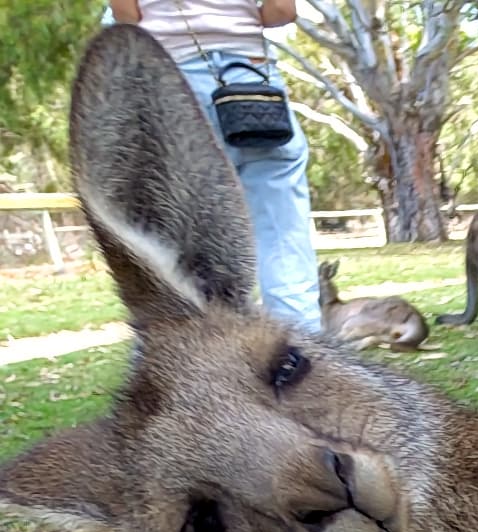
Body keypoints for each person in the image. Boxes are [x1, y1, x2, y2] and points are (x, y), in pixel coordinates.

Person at [107, 0, 322, 331]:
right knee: (282, 233)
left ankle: (180, 362)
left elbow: (127, 16)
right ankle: (305, 360)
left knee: (175, 239)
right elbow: (282, 10)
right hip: (252, 81)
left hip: (170, 80)